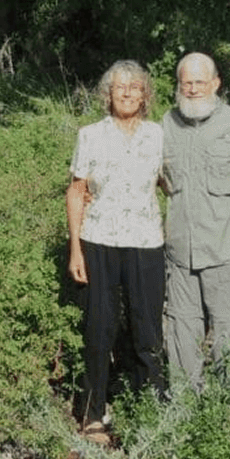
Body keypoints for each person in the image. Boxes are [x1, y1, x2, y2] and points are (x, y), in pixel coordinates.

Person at [160, 51, 230, 387]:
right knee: (181, 330)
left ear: (215, 83)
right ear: (178, 86)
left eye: (199, 82)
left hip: (226, 250)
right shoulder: (166, 124)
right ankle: (185, 413)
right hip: (180, 253)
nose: (193, 90)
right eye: (186, 83)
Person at [66, 60, 166, 431]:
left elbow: (168, 183)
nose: (127, 93)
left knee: (147, 329)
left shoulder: (158, 134)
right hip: (100, 240)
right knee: (98, 327)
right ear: (107, 94)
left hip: (146, 242)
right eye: (119, 87)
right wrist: (76, 249)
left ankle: (151, 412)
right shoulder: (90, 135)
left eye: (135, 87)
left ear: (145, 95)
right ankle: (94, 412)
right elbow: (76, 192)